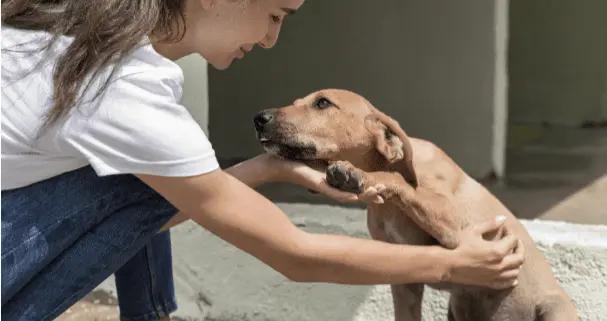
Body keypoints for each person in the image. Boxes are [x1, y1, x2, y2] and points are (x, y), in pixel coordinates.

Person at [0, 1, 524, 320]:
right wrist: (454, 264)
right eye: (274, 16)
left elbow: (179, 197)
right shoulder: (123, 90)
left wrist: (271, 168)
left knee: (155, 175)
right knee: (146, 176)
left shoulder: (79, 35)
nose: (272, 40)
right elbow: (295, 253)